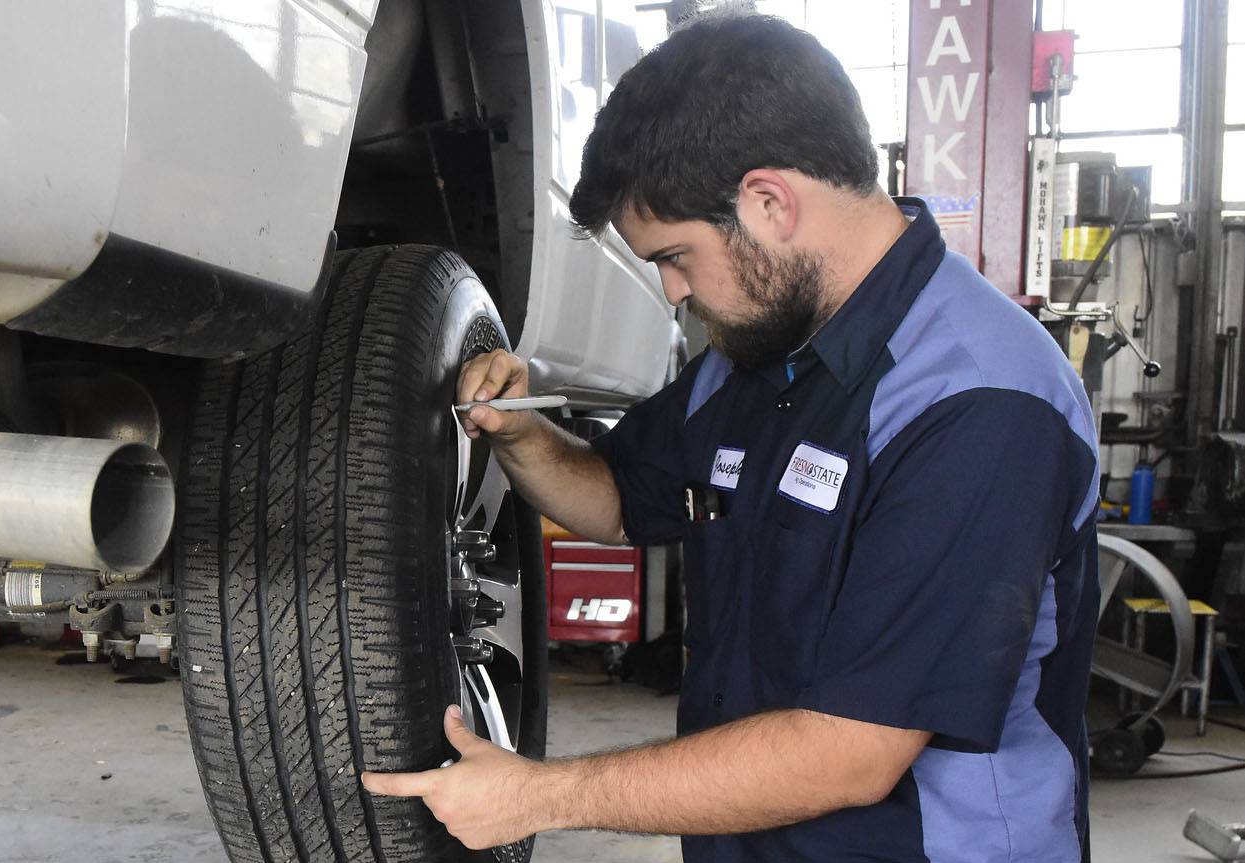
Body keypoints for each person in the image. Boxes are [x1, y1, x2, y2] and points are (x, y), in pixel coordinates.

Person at [360, 12, 1099, 862]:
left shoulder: (977, 402)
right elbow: (618, 501)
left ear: (769, 201)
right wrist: (522, 438)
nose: (673, 291)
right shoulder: (754, 359)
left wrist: (537, 794)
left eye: (675, 255)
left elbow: (849, 751)